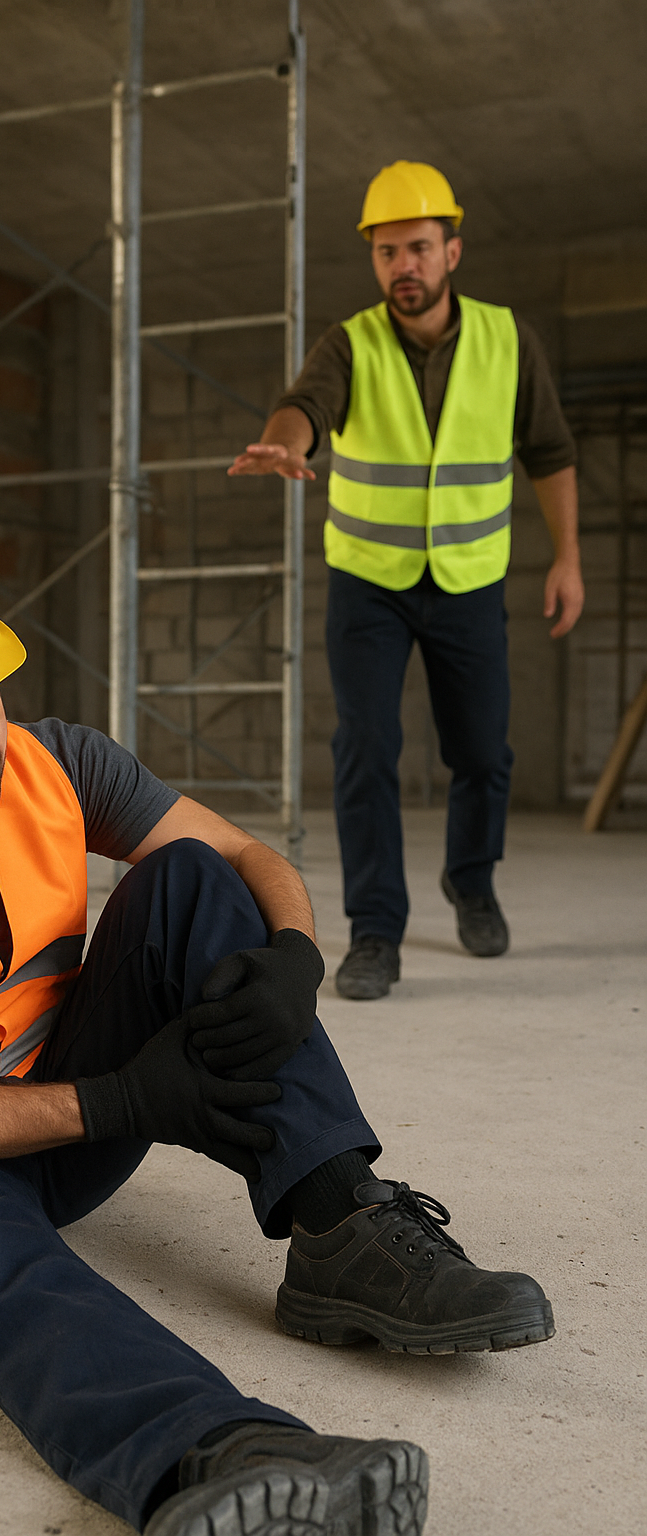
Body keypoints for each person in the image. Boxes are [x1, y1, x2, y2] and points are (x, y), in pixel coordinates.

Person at [0, 546, 555, 1536]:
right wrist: (124, 1102)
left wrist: (295, 953)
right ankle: (213, 1455)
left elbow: (248, 855)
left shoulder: (59, 763)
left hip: (73, 1103)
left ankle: (339, 1227)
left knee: (193, 883)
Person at [229, 160, 584, 1000]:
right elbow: (304, 406)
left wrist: (568, 557)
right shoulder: (350, 342)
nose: (404, 268)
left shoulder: (507, 340)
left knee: (481, 753)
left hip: (467, 580)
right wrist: (287, 442)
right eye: (388, 252)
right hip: (370, 584)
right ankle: (376, 931)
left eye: (419, 248)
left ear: (452, 251)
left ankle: (472, 880)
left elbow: (552, 453)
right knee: (366, 749)